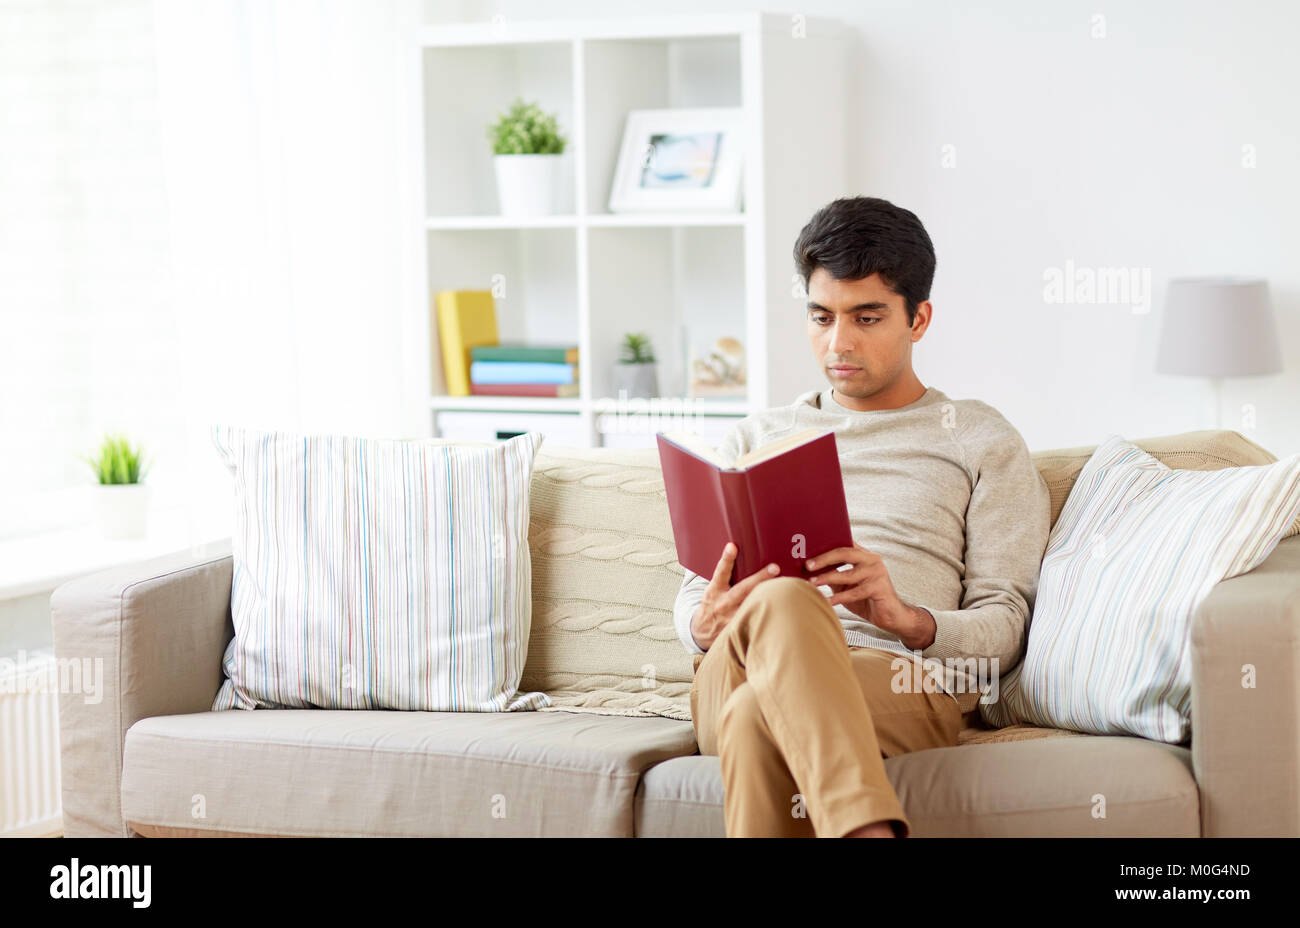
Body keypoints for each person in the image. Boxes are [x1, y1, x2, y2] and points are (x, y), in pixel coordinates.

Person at [675, 195, 1051, 838]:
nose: (838, 343)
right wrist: (703, 625)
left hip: (898, 679)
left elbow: (1005, 628)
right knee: (786, 603)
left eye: (866, 317)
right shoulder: (752, 438)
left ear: (919, 319)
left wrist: (906, 618)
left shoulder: (981, 440)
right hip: (736, 665)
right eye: (821, 317)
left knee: (754, 719)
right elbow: (691, 602)